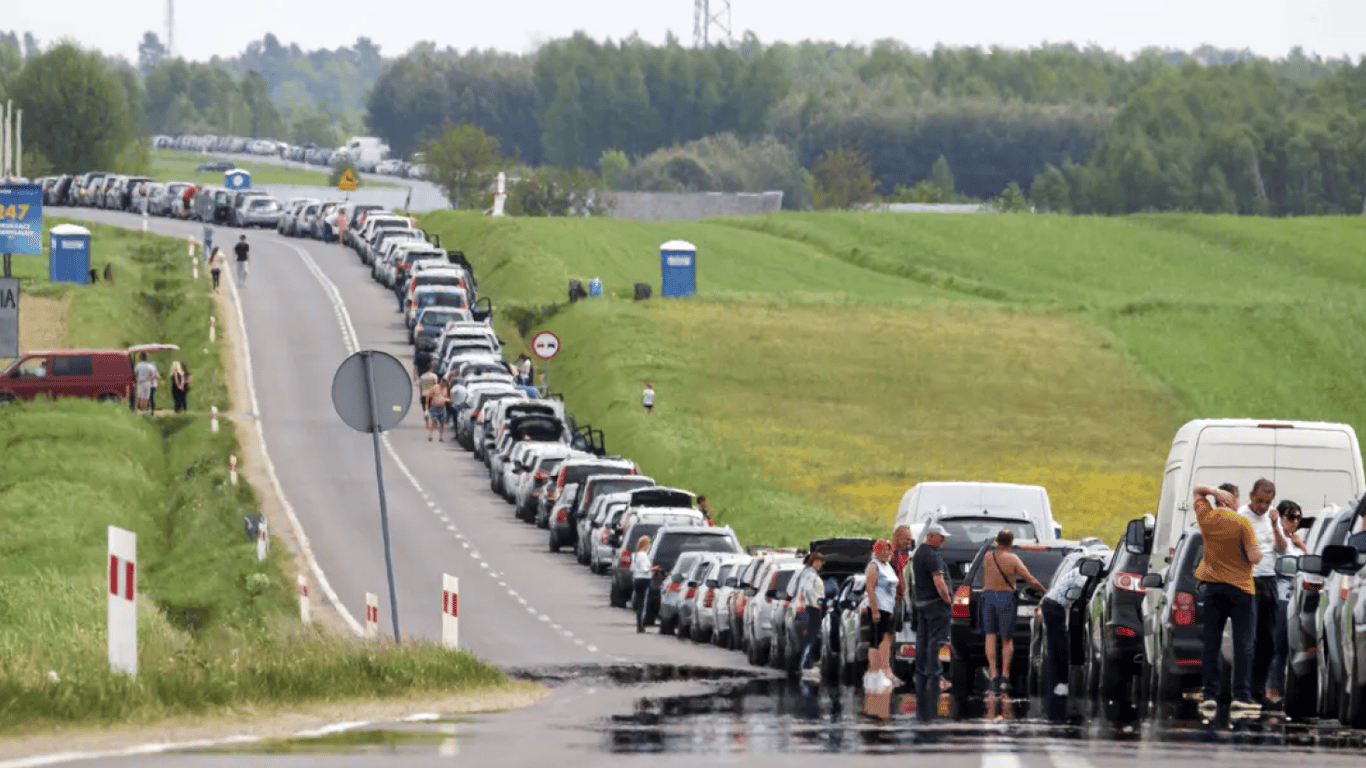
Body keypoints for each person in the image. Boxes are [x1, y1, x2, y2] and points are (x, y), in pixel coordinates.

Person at [1193, 483, 1262, 716]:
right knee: (1243, 643)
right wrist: (1257, 553)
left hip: (1213, 588)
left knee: (1211, 642)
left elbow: (1197, 491)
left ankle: (1209, 693)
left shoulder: (1207, 518)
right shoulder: (1243, 523)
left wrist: (1212, 491)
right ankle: (1240, 696)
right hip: (1241, 589)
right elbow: (1254, 556)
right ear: (1235, 497)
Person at [979, 529, 1046, 697]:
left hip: (987, 596)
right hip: (1005, 596)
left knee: (990, 635)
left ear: (997, 541)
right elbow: (1029, 579)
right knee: (1007, 638)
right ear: (1011, 542)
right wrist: (1044, 591)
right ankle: (1005, 677)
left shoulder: (987, 557)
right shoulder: (1012, 558)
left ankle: (993, 675)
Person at [1239, 477, 1284, 702]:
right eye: (1259, 501)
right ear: (1250, 495)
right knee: (1249, 638)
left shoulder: (1271, 517)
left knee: (1267, 639)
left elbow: (1283, 548)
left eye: (1267, 502)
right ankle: (1243, 689)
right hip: (1248, 580)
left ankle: (1258, 689)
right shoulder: (1241, 517)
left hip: (1269, 580)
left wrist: (1276, 526)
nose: (1263, 507)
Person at [911, 523, 954, 721]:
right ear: (931, 536)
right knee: (936, 640)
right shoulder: (932, 555)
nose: (943, 540)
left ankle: (921, 672)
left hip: (921, 603)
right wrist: (948, 600)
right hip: (936, 604)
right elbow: (939, 581)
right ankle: (935, 676)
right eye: (941, 536)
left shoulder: (919, 553)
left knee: (923, 639)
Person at [1267, 499, 1305, 705]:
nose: (1295, 521)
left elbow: (1309, 565)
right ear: (1281, 517)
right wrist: (1276, 528)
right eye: (1291, 517)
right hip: (1281, 596)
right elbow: (1281, 552)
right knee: (1278, 645)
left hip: (1296, 597)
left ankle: (1278, 686)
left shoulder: (1297, 540)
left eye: (1299, 517)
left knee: (1289, 647)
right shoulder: (1278, 538)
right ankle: (1271, 688)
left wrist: (1302, 545)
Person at [864, 539, 901, 690]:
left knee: (885, 641)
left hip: (888, 609)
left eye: (889, 550)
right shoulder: (874, 566)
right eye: (884, 550)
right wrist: (874, 610)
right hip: (878, 608)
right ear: (877, 551)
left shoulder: (888, 567)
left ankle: (883, 672)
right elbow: (870, 588)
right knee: (876, 641)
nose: (887, 553)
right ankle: (873, 673)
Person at [796, 551, 826, 681]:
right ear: (812, 562)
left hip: (813, 607)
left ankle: (806, 662)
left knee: (810, 636)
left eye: (820, 561)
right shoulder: (811, 575)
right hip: (812, 609)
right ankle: (806, 663)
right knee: (811, 637)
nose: (819, 564)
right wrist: (814, 604)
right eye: (816, 561)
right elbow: (807, 590)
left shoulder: (810, 573)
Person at [631, 535, 657, 633]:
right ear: (645, 544)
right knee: (642, 602)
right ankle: (640, 626)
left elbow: (632, 568)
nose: (649, 545)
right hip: (643, 579)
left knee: (639, 602)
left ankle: (639, 625)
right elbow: (644, 569)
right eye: (648, 544)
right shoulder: (642, 555)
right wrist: (653, 569)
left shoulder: (636, 555)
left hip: (637, 578)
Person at [891, 524, 913, 630]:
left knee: (894, 633)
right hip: (891, 600)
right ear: (897, 537)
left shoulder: (900, 553)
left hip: (899, 598)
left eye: (910, 540)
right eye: (907, 539)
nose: (909, 542)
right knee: (889, 634)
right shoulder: (890, 554)